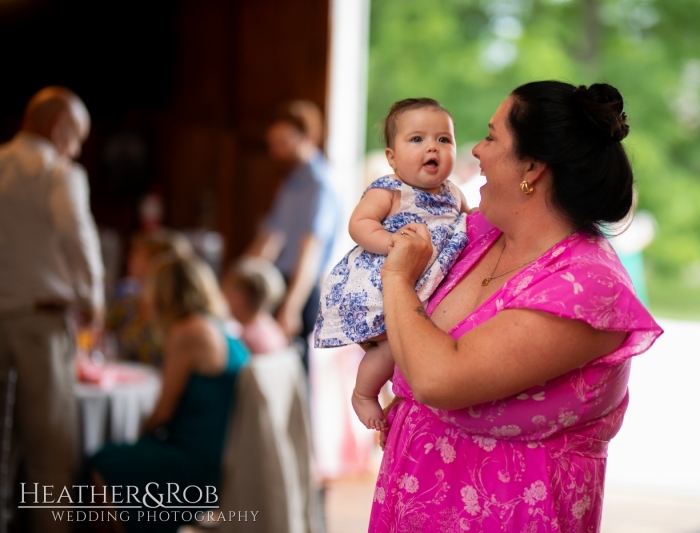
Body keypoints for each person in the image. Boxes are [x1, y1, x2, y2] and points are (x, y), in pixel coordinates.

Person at [369, 81, 663, 532]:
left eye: (491, 137)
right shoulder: (480, 232)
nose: (478, 153)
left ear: (533, 166)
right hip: (411, 501)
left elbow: (438, 376)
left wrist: (396, 277)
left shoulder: (587, 287)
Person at [315, 98, 470, 431]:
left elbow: (471, 223)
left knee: (412, 347)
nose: (433, 147)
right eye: (417, 139)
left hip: (427, 283)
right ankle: (364, 394)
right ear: (392, 158)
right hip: (384, 282)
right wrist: (392, 242)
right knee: (388, 349)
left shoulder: (455, 194)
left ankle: (396, 397)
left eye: (443, 139)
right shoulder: (391, 190)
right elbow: (360, 223)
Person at [0, 86, 103, 533]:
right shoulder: (59, 173)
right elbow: (77, 238)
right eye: (77, 136)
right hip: (41, 327)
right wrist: (93, 300)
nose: (76, 148)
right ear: (60, 128)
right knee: (50, 456)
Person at [86, 253, 249, 533]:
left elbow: (162, 414)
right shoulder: (219, 327)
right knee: (116, 457)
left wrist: (137, 440)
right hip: (222, 455)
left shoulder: (188, 333)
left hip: (198, 466)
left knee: (102, 463)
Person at [245, 100, 340, 367]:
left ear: (308, 138)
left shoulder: (320, 184)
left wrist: (292, 306)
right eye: (272, 143)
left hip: (303, 290)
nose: (276, 151)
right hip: (282, 284)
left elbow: (311, 250)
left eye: (283, 142)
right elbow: (269, 238)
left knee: (296, 373)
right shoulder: (290, 182)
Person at [105, 228, 194, 366]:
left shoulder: (179, 311)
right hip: (121, 381)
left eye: (139, 254)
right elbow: (99, 334)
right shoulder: (127, 299)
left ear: (158, 262)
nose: (130, 259)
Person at [221, 257, 289, 355]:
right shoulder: (274, 329)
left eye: (231, 290)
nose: (225, 296)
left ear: (242, 297)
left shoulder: (246, 340)